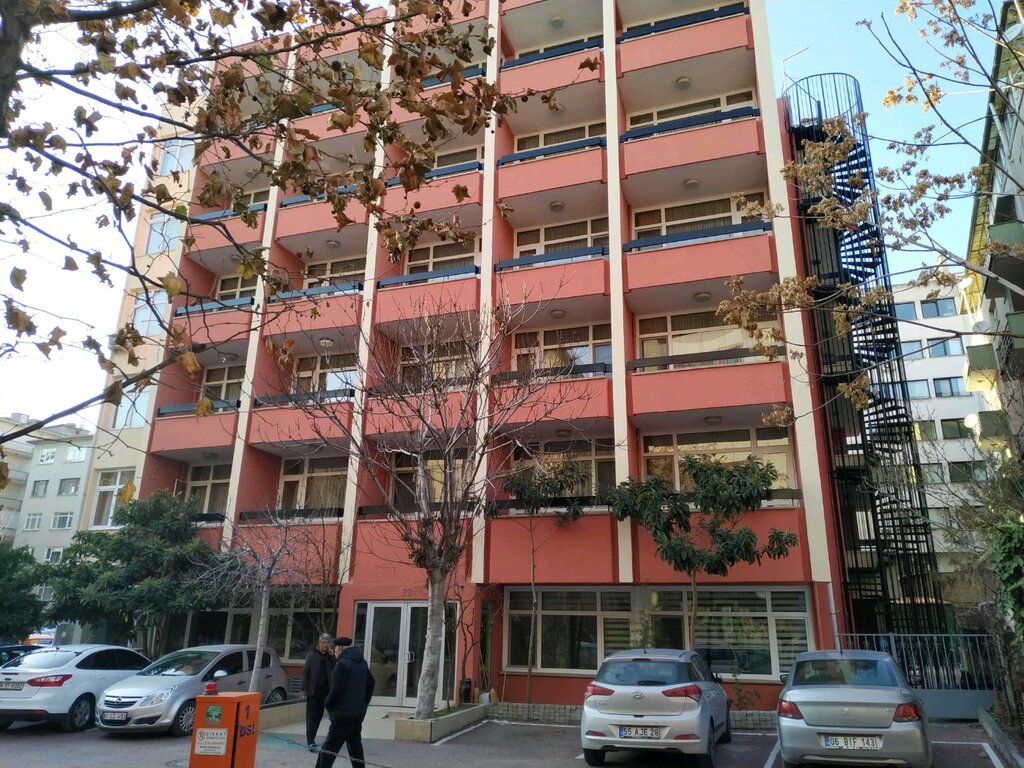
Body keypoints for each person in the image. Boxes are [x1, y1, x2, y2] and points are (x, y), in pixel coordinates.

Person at [315, 636, 375, 768]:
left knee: (328, 750)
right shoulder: (362, 663)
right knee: (355, 748)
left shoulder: (342, 665)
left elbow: (336, 690)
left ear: (340, 649)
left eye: (335, 649)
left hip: (342, 716)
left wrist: (328, 704)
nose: (334, 652)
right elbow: (371, 683)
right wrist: (364, 704)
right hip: (357, 715)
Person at [301, 633, 336, 752]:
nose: (325, 645)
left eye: (327, 642)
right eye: (323, 642)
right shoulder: (311, 656)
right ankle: (310, 741)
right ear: (319, 643)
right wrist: (303, 689)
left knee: (319, 716)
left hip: (325, 693)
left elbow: (335, 668)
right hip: (313, 692)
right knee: (311, 717)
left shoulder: (329, 657)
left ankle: (313, 739)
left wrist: (332, 655)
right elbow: (305, 672)